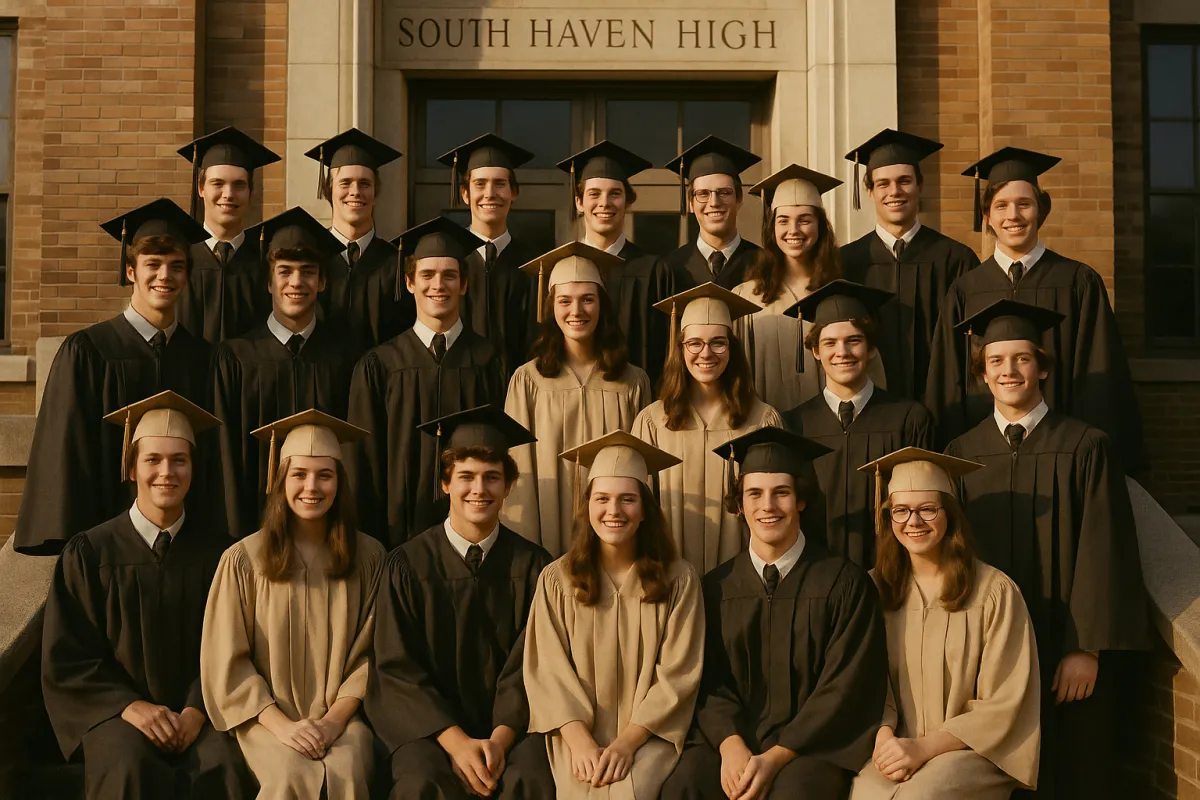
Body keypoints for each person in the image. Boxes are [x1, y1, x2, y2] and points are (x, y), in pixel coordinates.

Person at [943, 299, 1152, 799]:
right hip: (990, 655)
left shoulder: (1085, 446)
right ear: (982, 374)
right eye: (996, 361)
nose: (1009, 371)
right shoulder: (960, 454)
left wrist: (1086, 646)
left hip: (1066, 648)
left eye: (1021, 359)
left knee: (1076, 772)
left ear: (1042, 368)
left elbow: (1105, 550)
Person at [661, 426, 887, 800]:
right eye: (755, 494)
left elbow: (844, 687)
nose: (768, 506)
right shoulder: (715, 588)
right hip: (730, 740)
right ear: (740, 503)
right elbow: (703, 679)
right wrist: (731, 744)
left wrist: (778, 755)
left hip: (812, 748)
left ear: (800, 499)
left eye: (781, 493)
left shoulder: (843, 584)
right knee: (684, 786)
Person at [42, 391, 246, 800]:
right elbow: (69, 656)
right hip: (116, 716)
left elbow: (234, 647)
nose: (166, 472)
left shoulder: (222, 556)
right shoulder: (91, 553)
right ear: (131, 467)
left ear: (192, 469)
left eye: (179, 460)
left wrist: (197, 708)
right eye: (152, 459)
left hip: (201, 711)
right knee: (127, 765)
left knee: (226, 765)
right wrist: (128, 707)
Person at [367, 405, 555, 799]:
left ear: (508, 487)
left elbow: (534, 664)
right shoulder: (406, 564)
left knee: (535, 777)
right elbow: (396, 667)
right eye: (466, 477)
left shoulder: (536, 567)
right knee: (420, 783)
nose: (479, 490)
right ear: (445, 484)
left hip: (514, 731)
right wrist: (456, 743)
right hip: (430, 732)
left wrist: (498, 744)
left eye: (492, 478)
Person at [201, 409, 385, 800]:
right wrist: (284, 726)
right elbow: (226, 663)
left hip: (343, 720)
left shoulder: (369, 557)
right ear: (280, 479)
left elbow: (374, 653)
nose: (311, 487)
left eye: (325, 475)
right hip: (264, 721)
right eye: (299, 474)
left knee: (348, 770)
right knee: (288, 774)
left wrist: (333, 723)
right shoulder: (243, 560)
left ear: (340, 483)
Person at [14, 199, 213, 554]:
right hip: (104, 543)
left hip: (186, 546)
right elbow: (67, 452)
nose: (165, 276)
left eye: (176, 266)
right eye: (153, 264)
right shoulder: (88, 351)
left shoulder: (203, 357)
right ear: (131, 270)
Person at [925, 147, 1142, 469]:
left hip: (1064, 452)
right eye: (1001, 206)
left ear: (1041, 210)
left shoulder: (1078, 281)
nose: (1013, 216)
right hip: (983, 455)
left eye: (1024, 204)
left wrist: (1090, 456)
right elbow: (948, 380)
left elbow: (1099, 377)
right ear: (987, 217)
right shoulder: (965, 290)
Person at [850, 447, 1040, 799]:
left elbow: (1005, 700)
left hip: (972, 751)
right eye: (901, 511)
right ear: (888, 517)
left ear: (950, 515)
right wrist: (885, 738)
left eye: (927, 509)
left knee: (920, 796)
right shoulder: (872, 590)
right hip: (892, 744)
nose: (914, 522)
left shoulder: (993, 591)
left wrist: (924, 749)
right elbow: (862, 684)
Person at [524, 431, 704, 799]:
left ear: (645, 510)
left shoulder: (679, 579)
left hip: (649, 736)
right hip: (575, 735)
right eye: (602, 499)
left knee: (628, 791)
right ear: (587, 504)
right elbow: (548, 670)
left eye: (628, 499)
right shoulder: (558, 579)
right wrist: (580, 743)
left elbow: (679, 674)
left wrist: (627, 744)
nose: (614, 511)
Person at [348, 217, 505, 547]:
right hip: (394, 536)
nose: (439, 285)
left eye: (450, 275)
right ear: (409, 282)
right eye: (428, 275)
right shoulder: (380, 364)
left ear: (464, 284)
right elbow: (364, 463)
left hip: (474, 536)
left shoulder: (490, 362)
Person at [213, 207, 355, 538]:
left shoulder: (346, 358)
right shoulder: (235, 358)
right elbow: (225, 457)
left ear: (321, 282)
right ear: (268, 281)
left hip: (328, 530)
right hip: (252, 527)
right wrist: (236, 534)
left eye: (307, 272)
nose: (296, 283)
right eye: (284, 271)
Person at [503, 241, 651, 557]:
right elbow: (519, 475)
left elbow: (641, 472)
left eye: (588, 300)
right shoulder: (528, 380)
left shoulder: (632, 381)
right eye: (565, 300)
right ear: (551, 306)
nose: (576, 311)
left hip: (614, 529)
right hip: (545, 529)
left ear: (602, 305)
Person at [782, 279, 933, 568]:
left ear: (872, 347)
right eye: (829, 343)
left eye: (854, 340)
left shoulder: (908, 419)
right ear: (815, 351)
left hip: (893, 573)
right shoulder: (795, 424)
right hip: (817, 575)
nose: (842, 352)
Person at [634, 282, 779, 573]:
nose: (706, 353)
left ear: (732, 348)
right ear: (680, 348)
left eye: (718, 342)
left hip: (741, 577)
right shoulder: (652, 422)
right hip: (667, 574)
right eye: (694, 343)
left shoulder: (762, 420)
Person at [840, 130, 980, 400]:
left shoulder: (956, 259)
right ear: (869, 191)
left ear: (920, 186)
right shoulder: (846, 262)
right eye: (883, 184)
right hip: (869, 409)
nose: (895, 191)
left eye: (904, 181)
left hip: (943, 403)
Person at [561, 140, 690, 389]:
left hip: (640, 401)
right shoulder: (561, 267)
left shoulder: (654, 271)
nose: (604, 203)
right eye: (594, 194)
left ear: (628, 201)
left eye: (615, 194)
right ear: (579, 202)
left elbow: (668, 348)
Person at [733, 164, 845, 411]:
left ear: (820, 227)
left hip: (828, 428)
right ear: (772, 229)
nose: (793, 230)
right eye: (783, 221)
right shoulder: (746, 297)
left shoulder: (840, 294)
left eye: (805, 220)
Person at [439, 134, 538, 382]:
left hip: (519, 392)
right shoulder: (447, 259)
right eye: (480, 184)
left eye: (500, 184)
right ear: (464, 193)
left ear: (513, 192)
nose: (490, 193)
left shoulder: (535, 264)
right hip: (457, 388)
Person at [305, 127, 412, 356]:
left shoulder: (397, 263)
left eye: (364, 184)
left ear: (376, 193)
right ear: (329, 189)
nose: (355, 192)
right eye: (345, 183)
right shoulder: (310, 258)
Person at [176, 126, 280, 344]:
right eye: (218, 183)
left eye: (239, 185)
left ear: (251, 192)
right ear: (201, 188)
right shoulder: (179, 256)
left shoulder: (266, 261)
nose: (228, 194)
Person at [663, 135, 764, 289]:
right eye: (703, 194)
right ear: (691, 203)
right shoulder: (669, 268)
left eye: (724, 192)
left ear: (739, 199)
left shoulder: (765, 265)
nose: (714, 202)